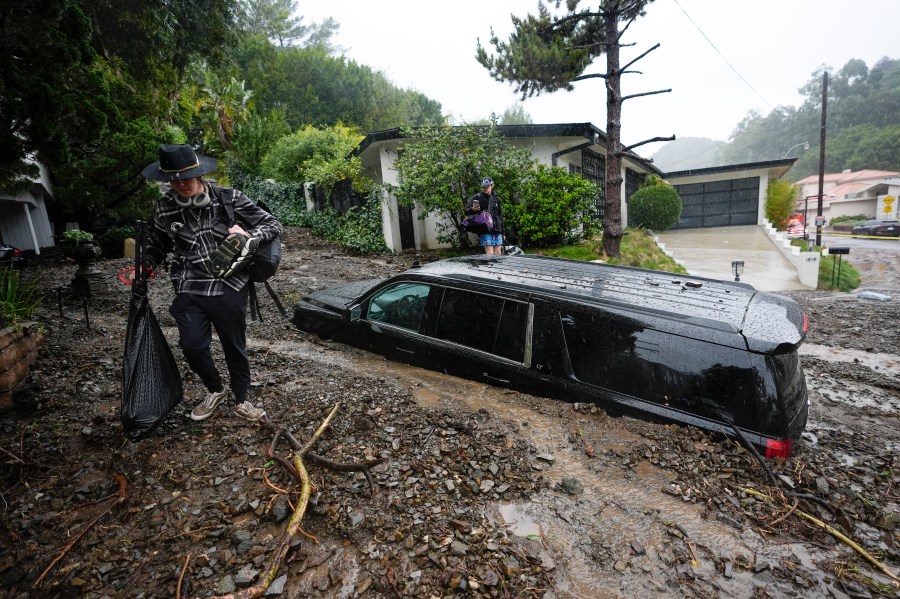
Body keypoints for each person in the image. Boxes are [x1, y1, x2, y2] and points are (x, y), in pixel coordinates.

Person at [139, 144, 282, 422]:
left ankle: (242, 399)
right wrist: (144, 266)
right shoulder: (164, 208)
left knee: (234, 346)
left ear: (199, 174)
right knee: (191, 345)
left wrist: (248, 234)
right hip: (189, 285)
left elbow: (273, 225)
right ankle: (216, 389)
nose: (180, 184)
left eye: (185, 177)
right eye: (173, 179)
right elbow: (157, 243)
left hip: (229, 285)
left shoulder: (229, 198)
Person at [464, 177, 503, 254]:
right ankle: (490, 266)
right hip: (485, 230)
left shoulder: (496, 199)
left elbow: (500, 216)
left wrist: (503, 233)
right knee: (489, 255)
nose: (485, 188)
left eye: (487, 186)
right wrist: (472, 209)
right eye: (483, 186)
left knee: (498, 255)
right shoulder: (477, 197)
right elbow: (466, 211)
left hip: (497, 230)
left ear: (492, 185)